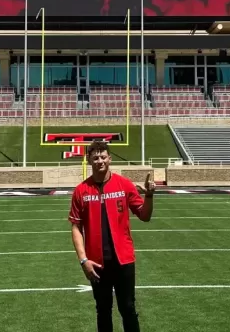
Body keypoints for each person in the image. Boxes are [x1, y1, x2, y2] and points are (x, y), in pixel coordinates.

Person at [68, 140, 155, 332]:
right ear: (89, 160)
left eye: (103, 157)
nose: (100, 161)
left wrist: (149, 197)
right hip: (97, 263)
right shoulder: (81, 190)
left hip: (123, 260)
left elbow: (145, 216)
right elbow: (76, 227)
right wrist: (84, 260)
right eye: (95, 157)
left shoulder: (124, 185)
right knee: (103, 311)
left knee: (128, 308)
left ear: (110, 159)